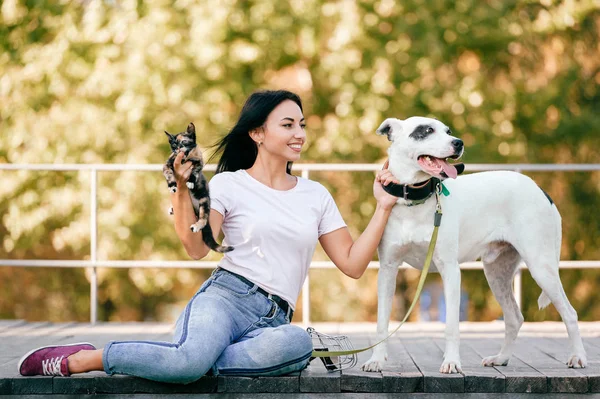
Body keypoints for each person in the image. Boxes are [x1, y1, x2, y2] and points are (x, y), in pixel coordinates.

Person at [18, 90, 400, 383]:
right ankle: (82, 359)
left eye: (302, 124)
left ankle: (186, 359)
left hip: (275, 318)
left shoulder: (315, 195)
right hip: (226, 298)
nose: (299, 134)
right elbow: (196, 248)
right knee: (189, 363)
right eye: (288, 125)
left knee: (298, 345)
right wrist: (180, 189)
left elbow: (352, 265)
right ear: (257, 132)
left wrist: (383, 206)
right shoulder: (229, 185)